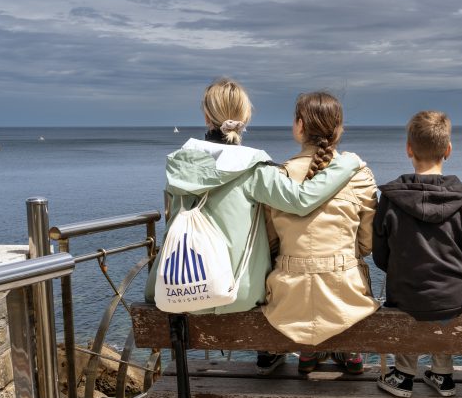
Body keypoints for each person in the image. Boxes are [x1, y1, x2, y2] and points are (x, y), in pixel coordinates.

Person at [144, 78, 365, 375]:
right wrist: (346, 164)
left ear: (207, 116)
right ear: (245, 118)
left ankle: (270, 354)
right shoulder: (253, 168)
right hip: (239, 293)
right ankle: (275, 351)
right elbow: (301, 200)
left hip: (179, 289)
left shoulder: (179, 166)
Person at [262, 92, 379, 373]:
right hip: (346, 298)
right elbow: (367, 243)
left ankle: (307, 352)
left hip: (289, 301)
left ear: (299, 126)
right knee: (349, 275)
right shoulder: (360, 176)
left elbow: (270, 243)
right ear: (339, 129)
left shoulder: (279, 177)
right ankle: (349, 352)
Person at [373, 110, 462, 398]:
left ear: (409, 149)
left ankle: (404, 375)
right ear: (448, 150)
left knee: (410, 298)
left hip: (405, 295)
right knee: (444, 297)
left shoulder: (392, 198)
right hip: (453, 297)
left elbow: (380, 255)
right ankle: (443, 374)